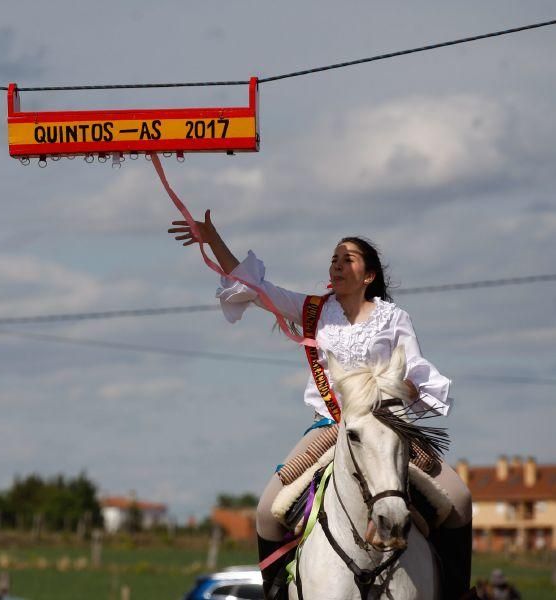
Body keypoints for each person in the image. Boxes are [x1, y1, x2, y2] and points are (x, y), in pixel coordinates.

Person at [169, 214, 473, 599]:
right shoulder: (313, 311)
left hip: (385, 426)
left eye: (348, 259)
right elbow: (255, 287)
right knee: (266, 512)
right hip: (328, 427)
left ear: (368, 276)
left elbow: (415, 370)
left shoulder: (394, 318)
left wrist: (399, 389)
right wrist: (211, 238)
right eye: (334, 259)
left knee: (459, 499)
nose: (337, 265)